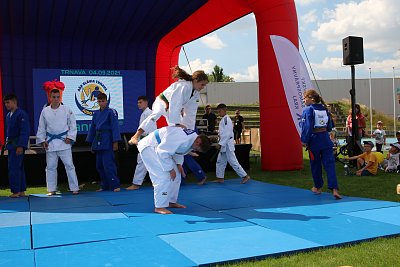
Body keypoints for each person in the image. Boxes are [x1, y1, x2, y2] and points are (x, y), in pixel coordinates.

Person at [137, 126, 211, 214]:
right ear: (198, 141)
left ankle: (171, 201)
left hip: (160, 148)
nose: (195, 150)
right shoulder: (183, 138)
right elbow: (162, 152)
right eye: (196, 149)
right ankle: (159, 206)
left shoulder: (192, 139)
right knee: (163, 177)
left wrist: (179, 164)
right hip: (150, 147)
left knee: (177, 175)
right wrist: (170, 169)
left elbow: (178, 150)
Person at [129, 66, 209, 145]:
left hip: (172, 108)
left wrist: (190, 131)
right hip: (162, 102)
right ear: (195, 80)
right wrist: (177, 123)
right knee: (155, 115)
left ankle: (181, 144)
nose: (203, 87)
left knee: (181, 128)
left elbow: (191, 113)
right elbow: (175, 104)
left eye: (204, 85)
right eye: (202, 84)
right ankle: (135, 136)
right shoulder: (183, 86)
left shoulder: (196, 93)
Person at [36, 88, 80, 195]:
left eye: (58, 97)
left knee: (69, 165)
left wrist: (70, 137)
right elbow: (41, 127)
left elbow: (73, 124)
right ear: (50, 98)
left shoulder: (66, 109)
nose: (56, 99)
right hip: (50, 143)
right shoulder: (45, 111)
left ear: (60, 98)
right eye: (54, 97)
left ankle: (74, 188)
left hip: (64, 142)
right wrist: (42, 141)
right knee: (50, 167)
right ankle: (51, 189)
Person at [301, 89, 341, 199]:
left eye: (305, 98)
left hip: (315, 141)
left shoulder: (308, 110)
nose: (304, 100)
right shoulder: (325, 110)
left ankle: (318, 187)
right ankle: (335, 189)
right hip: (325, 139)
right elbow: (329, 127)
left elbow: (307, 127)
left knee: (315, 164)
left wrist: (304, 140)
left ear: (311, 99)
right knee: (330, 165)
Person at [86, 93, 121, 192]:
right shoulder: (96, 114)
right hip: (98, 140)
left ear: (106, 101)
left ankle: (115, 185)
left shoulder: (111, 112)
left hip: (108, 140)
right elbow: (92, 128)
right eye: (99, 101)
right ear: (97, 102)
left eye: (103, 101)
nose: (101, 103)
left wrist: (115, 142)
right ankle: (105, 185)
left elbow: (115, 127)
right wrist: (92, 143)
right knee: (99, 165)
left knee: (108, 164)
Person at [214, 103, 250, 184]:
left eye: (219, 111)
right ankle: (220, 178)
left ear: (223, 110)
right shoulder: (223, 119)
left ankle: (245, 176)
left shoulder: (227, 120)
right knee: (220, 161)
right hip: (224, 145)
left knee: (233, 162)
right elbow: (223, 134)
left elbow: (227, 134)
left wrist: (220, 144)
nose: (218, 113)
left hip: (227, 145)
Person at [126, 96, 156, 190]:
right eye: (138, 102)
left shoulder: (149, 113)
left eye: (140, 102)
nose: (138, 104)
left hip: (149, 141)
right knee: (149, 162)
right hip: (146, 141)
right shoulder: (144, 113)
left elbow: (147, 129)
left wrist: (137, 139)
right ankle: (155, 182)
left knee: (144, 162)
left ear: (146, 102)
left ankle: (136, 184)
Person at [4, 94, 30, 198]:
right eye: (5, 103)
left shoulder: (21, 114)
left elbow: (25, 131)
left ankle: (16, 191)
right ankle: (21, 190)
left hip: (17, 145)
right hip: (11, 145)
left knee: (14, 168)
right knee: (18, 167)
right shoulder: (8, 115)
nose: (6, 105)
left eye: (8, 102)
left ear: (14, 102)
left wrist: (20, 146)